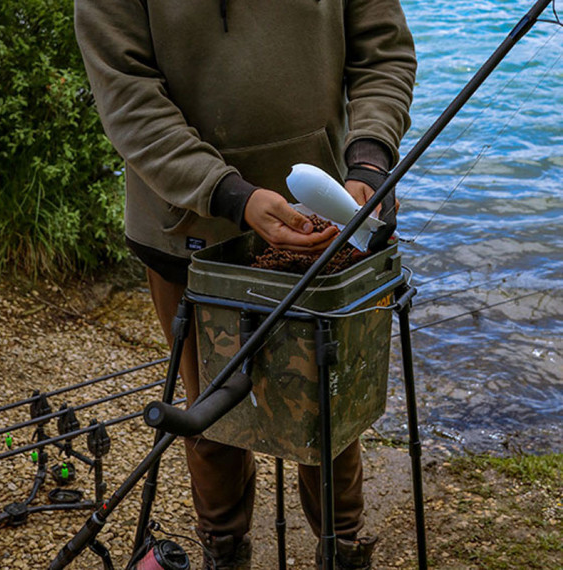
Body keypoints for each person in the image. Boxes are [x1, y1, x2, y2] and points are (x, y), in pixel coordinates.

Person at [75, 1, 416, 568]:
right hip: (185, 227)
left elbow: (383, 53)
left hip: (326, 223)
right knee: (209, 414)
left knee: (328, 407)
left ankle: (343, 546)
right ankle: (225, 550)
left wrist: (369, 160)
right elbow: (127, 95)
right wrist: (230, 194)